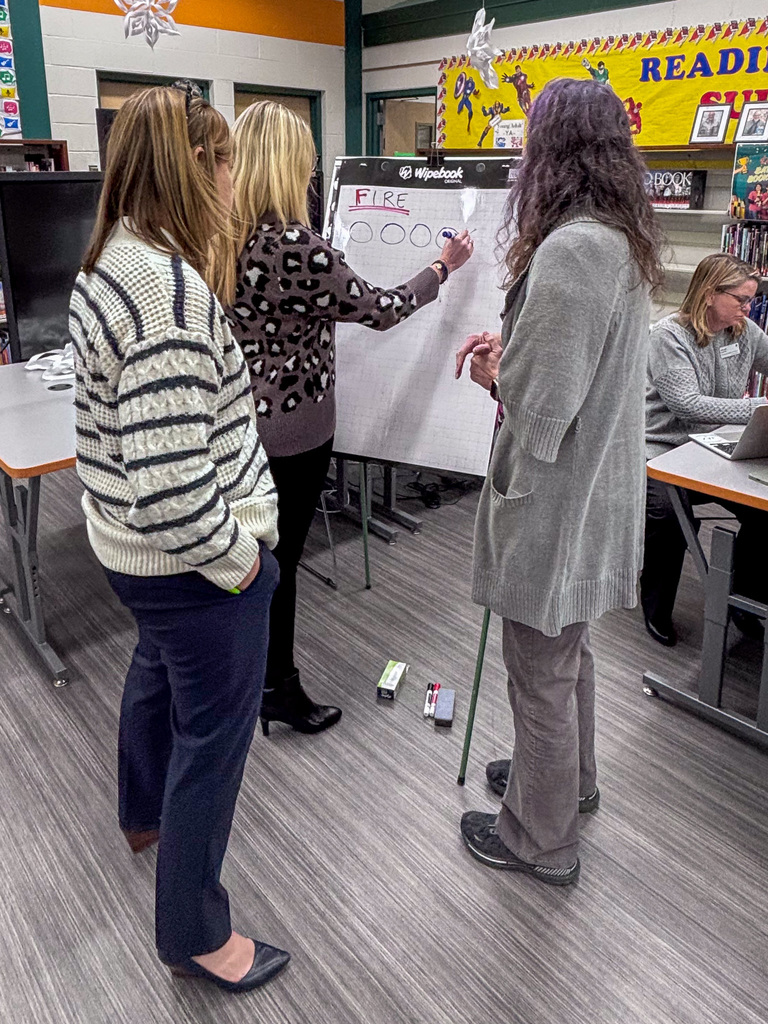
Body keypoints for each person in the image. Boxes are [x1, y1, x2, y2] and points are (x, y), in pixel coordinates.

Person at [71, 85, 290, 992]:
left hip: (134, 553)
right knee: (214, 743)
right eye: (230, 164)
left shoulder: (110, 260)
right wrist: (246, 563)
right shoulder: (166, 295)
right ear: (199, 170)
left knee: (155, 675)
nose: (240, 184)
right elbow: (173, 494)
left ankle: (140, 815)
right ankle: (195, 933)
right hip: (193, 563)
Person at [455, 78, 663, 885]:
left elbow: (539, 414)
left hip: (556, 502)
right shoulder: (618, 238)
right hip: (589, 494)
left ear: (555, 150)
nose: (519, 154)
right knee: (565, 658)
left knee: (539, 673)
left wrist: (489, 371)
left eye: (528, 139)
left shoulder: (577, 248)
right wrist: (517, 353)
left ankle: (538, 841)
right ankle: (567, 786)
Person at [228, 100, 473, 736]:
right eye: (306, 157)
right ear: (288, 163)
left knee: (251, 558)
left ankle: (244, 677)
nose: (312, 169)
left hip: (238, 424)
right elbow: (383, 308)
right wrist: (442, 267)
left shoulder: (216, 235)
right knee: (278, 564)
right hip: (293, 431)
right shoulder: (290, 245)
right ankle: (276, 686)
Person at [642, 253, 768, 646]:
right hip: (660, 452)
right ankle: (656, 610)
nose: (749, 309)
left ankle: (743, 603)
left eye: (751, 299)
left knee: (763, 513)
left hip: (714, 449)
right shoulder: (669, 335)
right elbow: (688, 404)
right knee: (670, 517)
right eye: (741, 299)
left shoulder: (744, 332)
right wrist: (756, 408)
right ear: (711, 294)